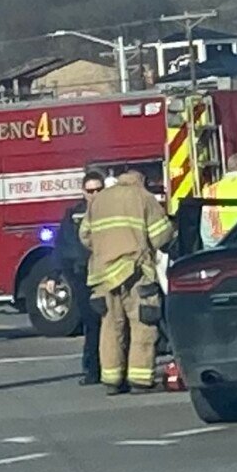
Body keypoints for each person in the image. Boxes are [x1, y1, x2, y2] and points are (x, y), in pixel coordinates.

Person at [80, 164, 176, 394]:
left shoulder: (99, 200)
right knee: (143, 324)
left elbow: (84, 235)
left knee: (111, 327)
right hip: (136, 272)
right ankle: (140, 379)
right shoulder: (143, 197)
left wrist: (104, 250)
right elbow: (161, 235)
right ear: (140, 180)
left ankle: (111, 380)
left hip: (103, 275)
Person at [56, 167, 108, 384]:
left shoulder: (111, 212)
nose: (94, 195)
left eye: (98, 190)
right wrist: (57, 275)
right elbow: (63, 246)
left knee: (113, 323)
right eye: (90, 191)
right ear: (83, 192)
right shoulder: (74, 215)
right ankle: (92, 369)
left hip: (108, 274)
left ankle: (111, 368)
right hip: (83, 276)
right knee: (92, 323)